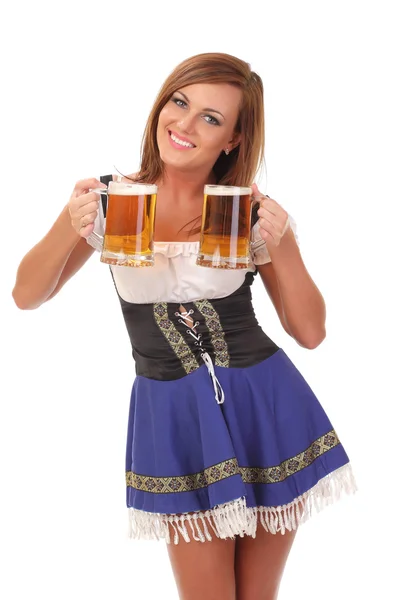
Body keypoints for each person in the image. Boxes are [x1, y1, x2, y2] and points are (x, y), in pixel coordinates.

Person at [12, 52, 356, 600]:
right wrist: (67, 227)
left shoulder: (241, 211)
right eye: (180, 102)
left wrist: (284, 243)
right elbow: (27, 295)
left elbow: (310, 332)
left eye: (211, 118)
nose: (185, 125)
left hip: (264, 406)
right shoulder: (111, 200)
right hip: (173, 416)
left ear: (234, 141)